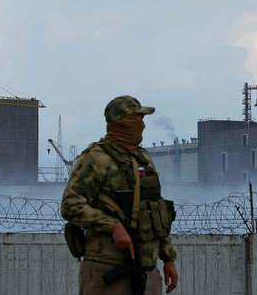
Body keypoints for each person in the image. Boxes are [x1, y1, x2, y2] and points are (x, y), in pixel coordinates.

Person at [61, 95, 179, 295]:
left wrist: (168, 258)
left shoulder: (143, 158)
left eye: (143, 119)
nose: (142, 125)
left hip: (147, 270)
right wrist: (112, 225)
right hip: (108, 268)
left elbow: (156, 211)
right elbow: (70, 205)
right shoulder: (95, 159)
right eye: (137, 119)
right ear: (122, 122)